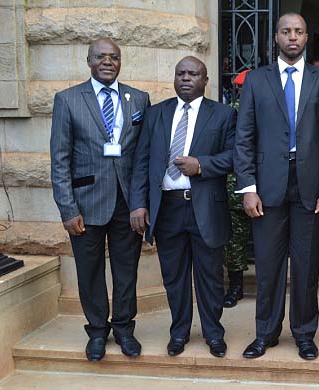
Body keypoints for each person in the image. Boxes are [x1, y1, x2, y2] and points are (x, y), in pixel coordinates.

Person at [234, 12, 319, 361]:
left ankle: (304, 334)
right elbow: (244, 137)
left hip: (311, 186)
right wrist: (247, 186)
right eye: (286, 31)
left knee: (307, 267)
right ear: (275, 38)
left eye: (298, 32)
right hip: (267, 187)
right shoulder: (256, 80)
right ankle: (266, 333)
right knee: (267, 266)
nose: (292, 37)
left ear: (307, 38)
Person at [129, 56, 236, 358]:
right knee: (173, 277)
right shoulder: (156, 114)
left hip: (206, 208)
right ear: (174, 79)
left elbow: (234, 157)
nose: (186, 78)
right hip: (168, 208)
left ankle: (214, 334)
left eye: (194, 74)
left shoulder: (223, 114)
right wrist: (138, 203)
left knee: (211, 278)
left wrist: (201, 165)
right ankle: (179, 333)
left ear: (205, 80)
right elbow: (142, 162)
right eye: (181, 73)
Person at [50, 38, 149, 362]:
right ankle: (96, 330)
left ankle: (123, 328)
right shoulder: (68, 100)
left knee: (126, 271)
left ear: (121, 62)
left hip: (126, 203)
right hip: (85, 205)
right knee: (89, 272)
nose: (108, 61)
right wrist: (68, 209)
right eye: (101, 57)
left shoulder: (139, 99)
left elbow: (143, 158)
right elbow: (60, 159)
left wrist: (141, 202)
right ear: (89, 61)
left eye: (114, 57)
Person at [223, 69, 253, 309]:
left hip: (266, 186)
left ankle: (266, 287)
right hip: (234, 186)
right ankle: (236, 287)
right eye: (242, 89)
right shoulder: (229, 112)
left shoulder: (270, 109)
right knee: (234, 241)